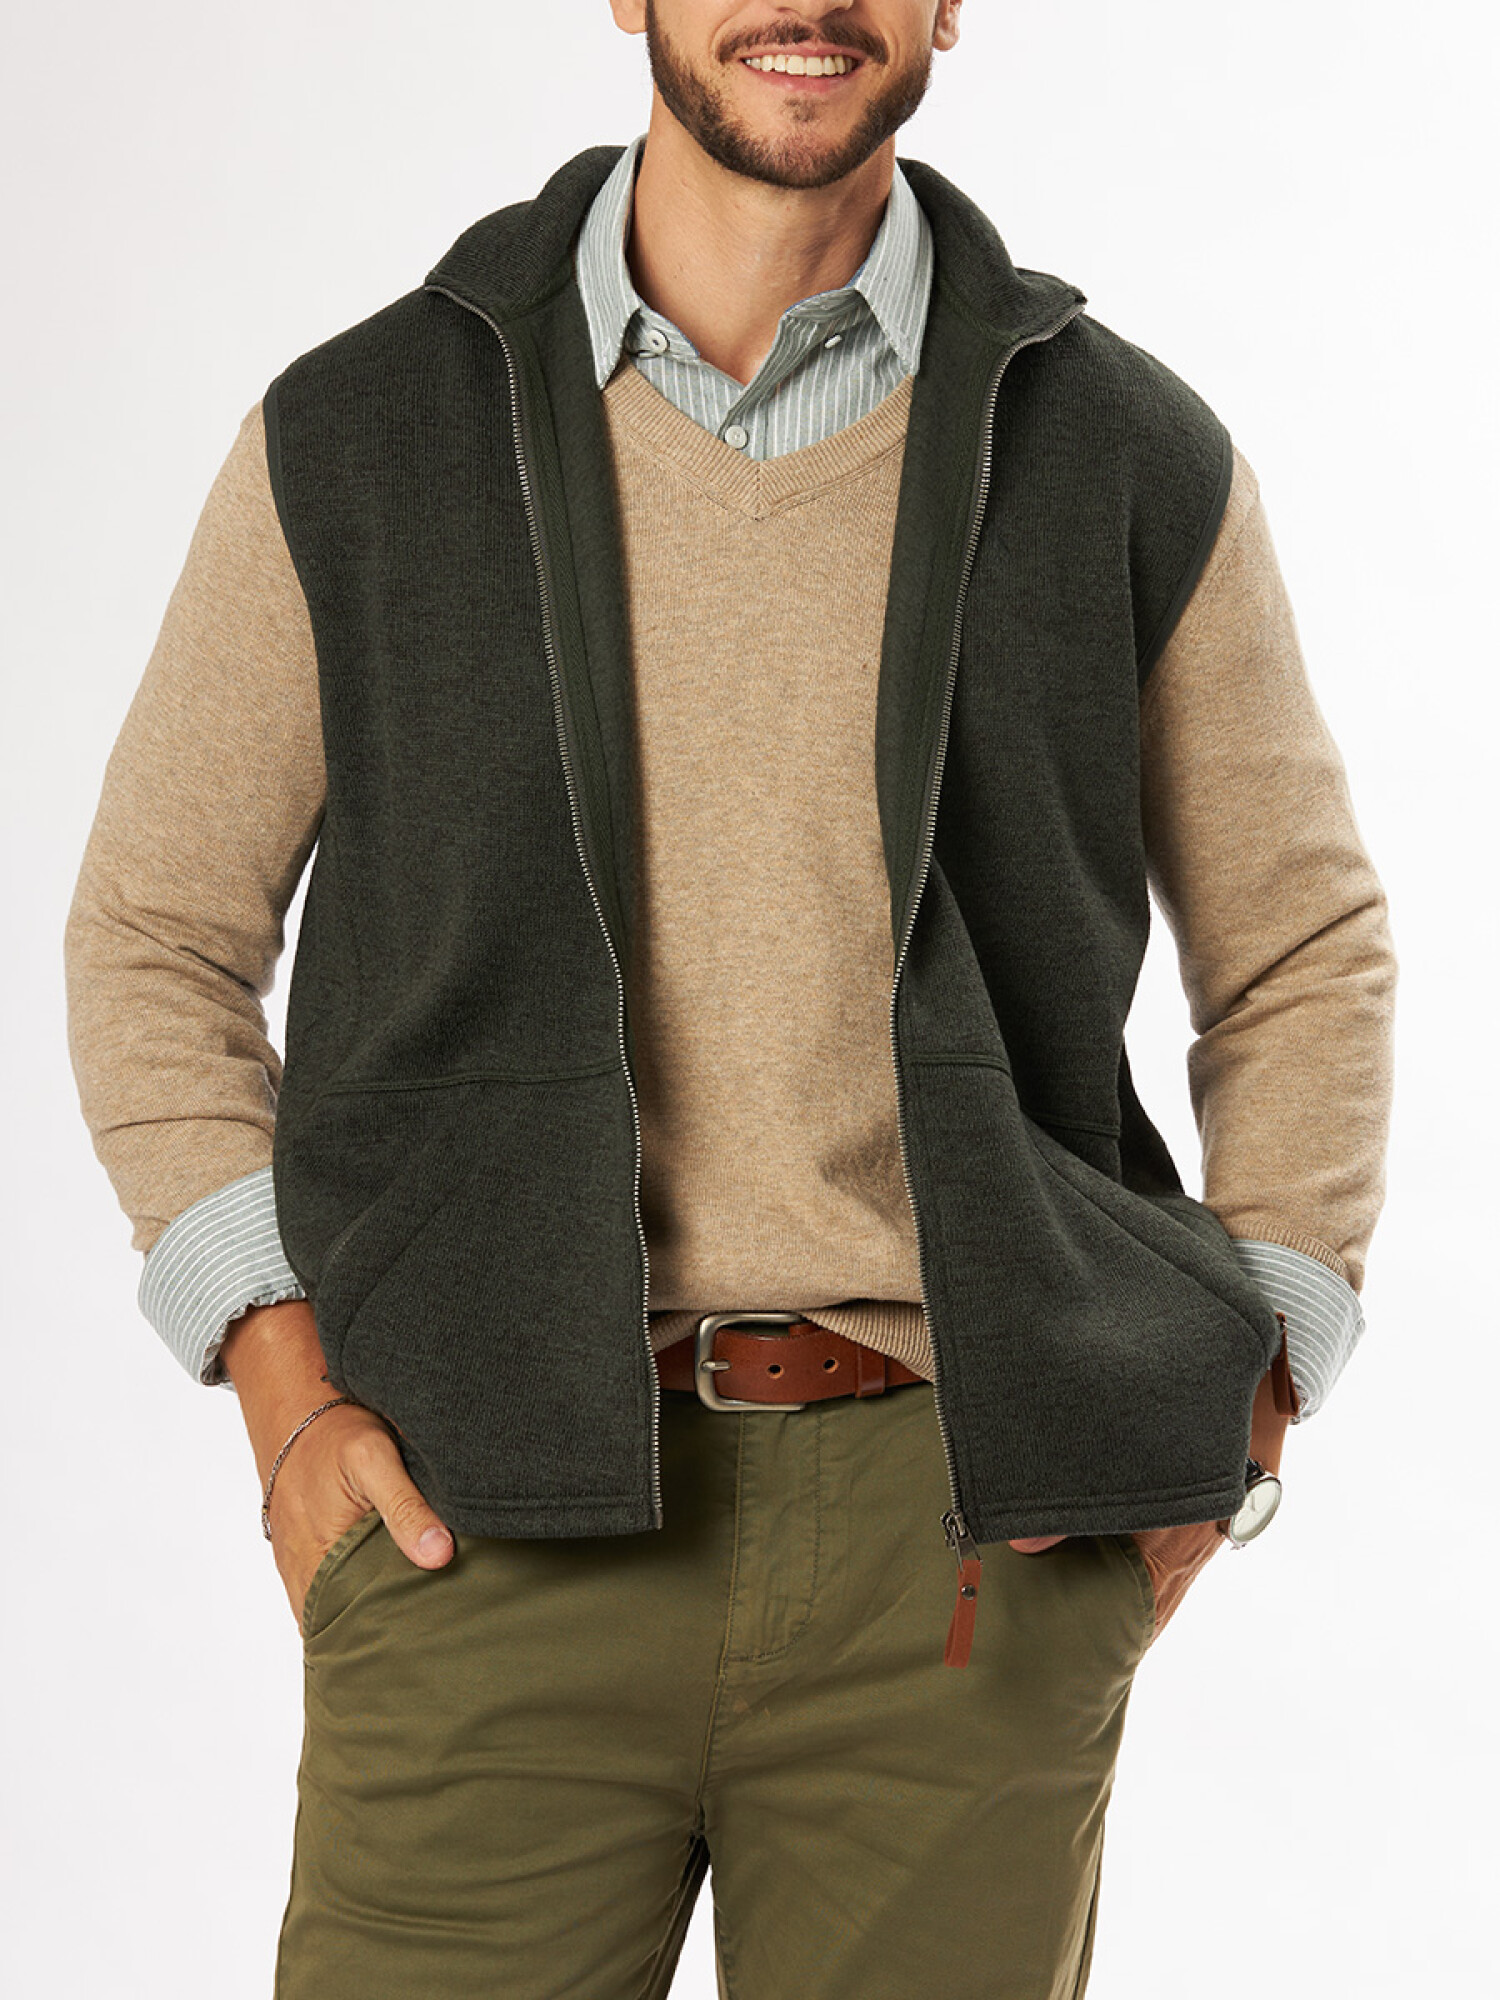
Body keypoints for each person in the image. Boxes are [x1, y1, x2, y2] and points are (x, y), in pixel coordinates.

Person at [63, 2, 1397, 1994]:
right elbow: (155, 930)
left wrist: (1251, 1398)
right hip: (475, 1519)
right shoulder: (361, 436)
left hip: (966, 1546)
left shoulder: (1123, 450)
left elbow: (1300, 950)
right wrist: (282, 1381)